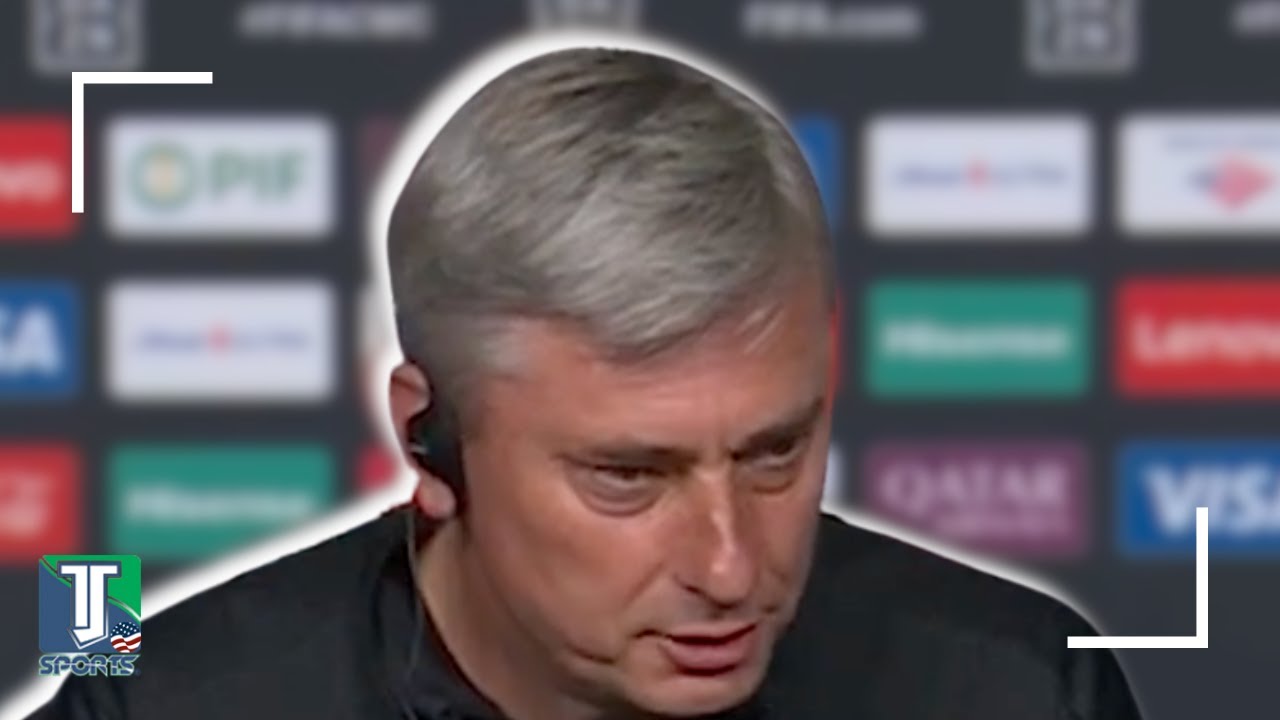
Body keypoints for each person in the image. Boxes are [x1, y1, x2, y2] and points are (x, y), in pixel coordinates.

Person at [26, 45, 1144, 720]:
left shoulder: (1019, 690)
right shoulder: (155, 705)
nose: (729, 566)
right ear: (430, 439)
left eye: (774, 452)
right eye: (628, 476)